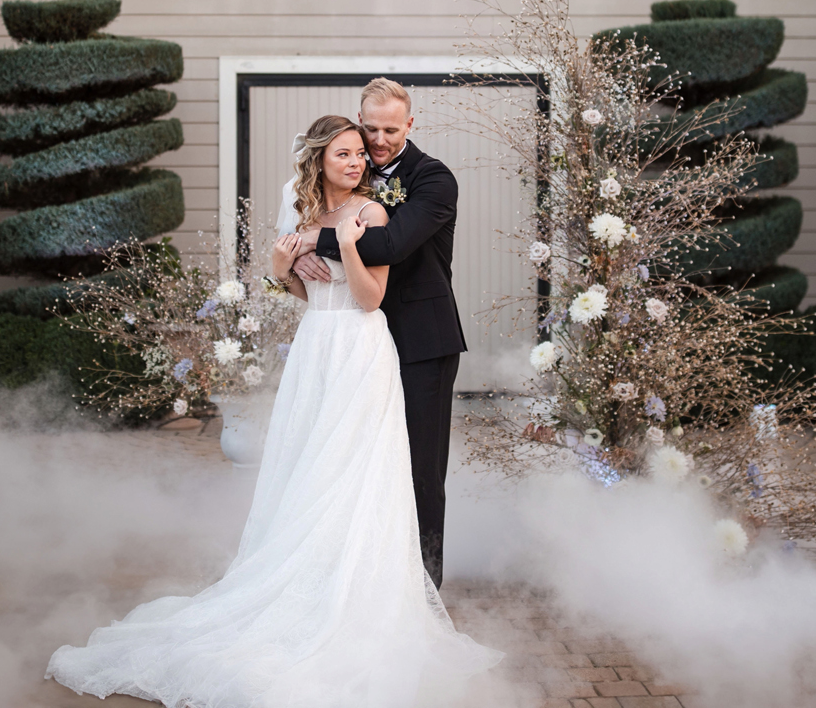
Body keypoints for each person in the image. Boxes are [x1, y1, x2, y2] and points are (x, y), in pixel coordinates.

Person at [46, 115, 499, 707]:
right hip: (316, 346)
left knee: (355, 469)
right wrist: (285, 266)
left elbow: (370, 297)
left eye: (361, 153)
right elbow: (301, 293)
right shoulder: (305, 213)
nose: (358, 161)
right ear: (320, 159)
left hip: (362, 348)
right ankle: (305, 585)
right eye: (345, 154)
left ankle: (360, 590)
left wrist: (346, 247)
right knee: (308, 467)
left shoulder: (372, 213)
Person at [288, 78, 465, 587]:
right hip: (358, 342)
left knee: (420, 470)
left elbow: (391, 243)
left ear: (410, 124)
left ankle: (425, 588)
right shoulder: (352, 175)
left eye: (391, 129)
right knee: (357, 462)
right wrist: (293, 261)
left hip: (420, 343)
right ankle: (363, 578)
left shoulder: (434, 179)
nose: (379, 139)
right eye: (371, 128)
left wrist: (306, 242)